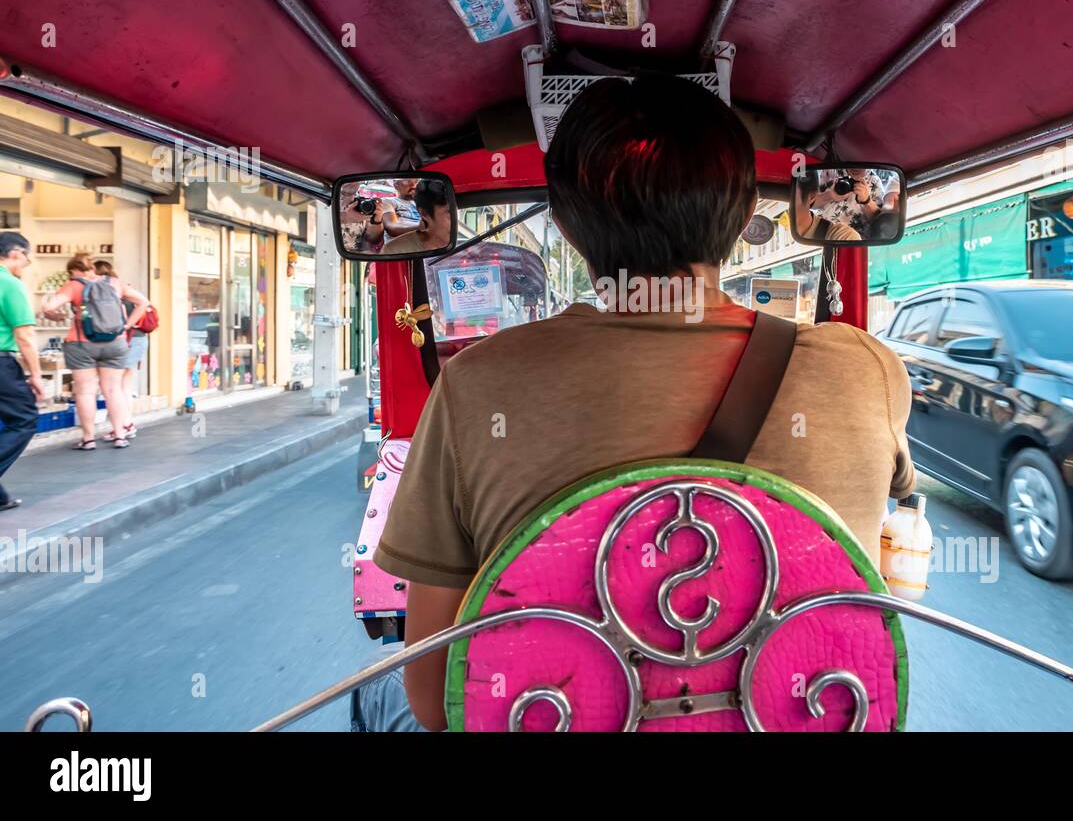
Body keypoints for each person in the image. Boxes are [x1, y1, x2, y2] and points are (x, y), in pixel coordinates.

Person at [373, 74, 914, 731]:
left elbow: (434, 697)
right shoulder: (865, 370)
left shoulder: (476, 386)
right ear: (745, 220)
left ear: (568, 229)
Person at [41, 254, 150, 449]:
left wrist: (53, 314)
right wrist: (127, 325)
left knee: (85, 392)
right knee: (113, 390)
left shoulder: (74, 285)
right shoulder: (115, 283)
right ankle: (119, 435)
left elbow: (48, 306)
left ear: (74, 271)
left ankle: (88, 439)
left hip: (82, 344)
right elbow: (143, 302)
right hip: (115, 342)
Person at [0, 233, 45, 511]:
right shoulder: (8, 283)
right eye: (25, 259)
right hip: (1, 365)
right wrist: (36, 374)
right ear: (15, 254)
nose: (25, 265)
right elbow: (25, 334)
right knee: (24, 418)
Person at [93, 260, 148, 437]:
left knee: (117, 387)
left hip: (128, 340)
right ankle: (127, 424)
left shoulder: (111, 291)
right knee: (125, 385)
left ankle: (125, 425)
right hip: (138, 340)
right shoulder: (124, 287)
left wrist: (126, 327)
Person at [383, 179, 454, 255]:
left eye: (416, 181)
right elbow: (391, 227)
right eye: (407, 180)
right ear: (395, 185)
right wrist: (420, 227)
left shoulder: (426, 202)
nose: (413, 184)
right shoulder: (388, 201)